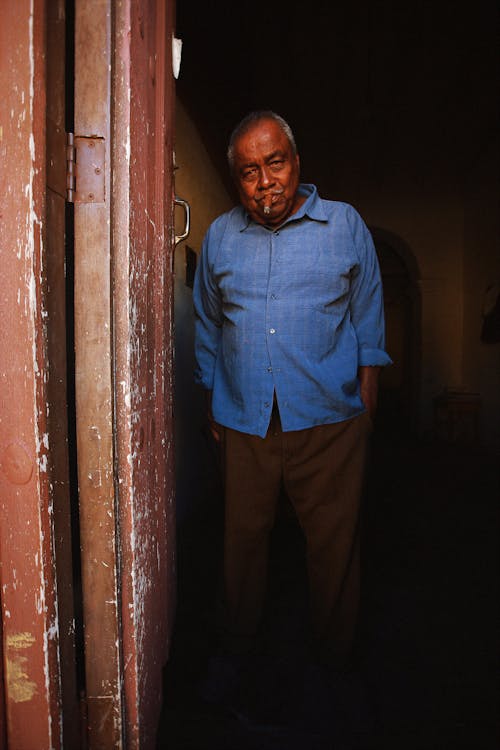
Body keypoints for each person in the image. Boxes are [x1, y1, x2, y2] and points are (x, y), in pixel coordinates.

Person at [193, 110, 391, 673]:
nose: (265, 181)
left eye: (274, 162)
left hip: (330, 420)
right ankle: (237, 653)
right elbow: (207, 322)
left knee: (333, 547)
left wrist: (366, 404)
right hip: (243, 420)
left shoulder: (345, 225)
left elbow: (369, 317)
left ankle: (334, 662)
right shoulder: (221, 237)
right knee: (241, 547)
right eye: (249, 170)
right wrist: (211, 397)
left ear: (296, 163)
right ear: (237, 180)